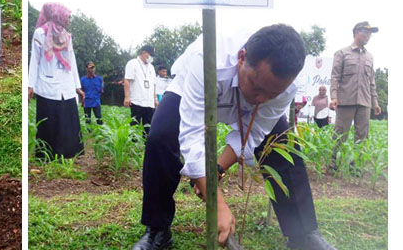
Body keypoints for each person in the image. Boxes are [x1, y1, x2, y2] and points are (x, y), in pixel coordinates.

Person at [132, 25, 337, 250]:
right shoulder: (208, 60)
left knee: (282, 142)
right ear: (242, 58)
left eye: (272, 94)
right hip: (191, 89)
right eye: (257, 87)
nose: (260, 99)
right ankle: (158, 230)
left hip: (243, 105)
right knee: (160, 137)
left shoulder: (284, 88)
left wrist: (216, 170)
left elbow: (255, 132)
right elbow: (191, 135)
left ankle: (303, 234)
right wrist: (217, 203)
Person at [28, 3, 84, 159]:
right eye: (67, 16)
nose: (69, 19)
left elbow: (71, 60)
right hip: (47, 84)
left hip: (66, 84)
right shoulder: (41, 33)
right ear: (58, 15)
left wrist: (77, 87)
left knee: (66, 120)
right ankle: (47, 155)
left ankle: (67, 153)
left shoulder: (66, 36)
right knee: (49, 121)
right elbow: (35, 59)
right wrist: (30, 85)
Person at [329, 21, 381, 169]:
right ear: (357, 32)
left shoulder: (370, 57)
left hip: (365, 102)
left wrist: (375, 102)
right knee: (340, 135)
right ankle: (334, 164)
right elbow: (335, 77)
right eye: (366, 32)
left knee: (362, 137)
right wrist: (334, 97)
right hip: (346, 101)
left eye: (370, 34)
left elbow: (372, 82)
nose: (368, 36)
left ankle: (356, 166)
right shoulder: (342, 53)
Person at [124, 45, 158, 137]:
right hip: (137, 100)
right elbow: (127, 80)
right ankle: (132, 144)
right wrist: (127, 97)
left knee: (149, 125)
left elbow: (154, 84)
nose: (151, 57)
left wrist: (155, 99)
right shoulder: (133, 63)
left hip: (149, 102)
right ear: (144, 53)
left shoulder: (151, 67)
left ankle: (146, 144)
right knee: (134, 124)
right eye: (150, 55)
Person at [80, 61, 104, 126]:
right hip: (87, 102)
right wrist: (82, 101)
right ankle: (89, 133)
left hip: (96, 101)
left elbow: (101, 90)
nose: (92, 69)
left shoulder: (99, 79)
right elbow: (81, 91)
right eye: (90, 68)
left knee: (99, 118)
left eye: (93, 67)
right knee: (87, 120)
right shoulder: (83, 80)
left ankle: (101, 132)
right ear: (87, 69)